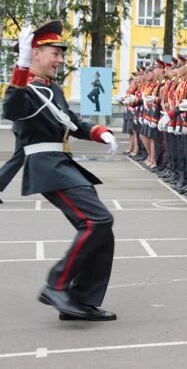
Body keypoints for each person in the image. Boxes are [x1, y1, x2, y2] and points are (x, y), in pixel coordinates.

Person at [1, 20, 118, 321]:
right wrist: (20, 66)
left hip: (63, 164)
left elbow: (72, 122)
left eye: (61, 54)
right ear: (35, 54)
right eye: (54, 53)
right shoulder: (25, 88)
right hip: (47, 167)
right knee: (96, 221)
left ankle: (80, 301)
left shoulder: (52, 88)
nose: (60, 60)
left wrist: (99, 132)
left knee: (102, 229)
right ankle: (57, 285)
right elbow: (11, 109)